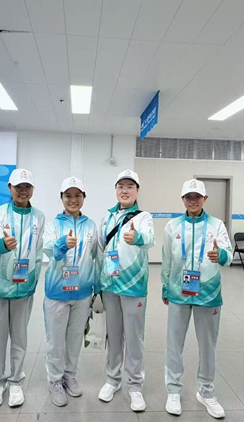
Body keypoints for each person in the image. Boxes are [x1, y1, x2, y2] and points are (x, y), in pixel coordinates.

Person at [161, 179, 233, 419]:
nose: (192, 201)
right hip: (178, 292)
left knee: (208, 345)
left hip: (209, 294)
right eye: (188, 197)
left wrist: (220, 255)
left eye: (197, 197)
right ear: (183, 199)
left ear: (205, 199)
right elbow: (167, 259)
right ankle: (173, 390)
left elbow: (229, 256)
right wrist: (165, 287)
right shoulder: (172, 226)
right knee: (174, 344)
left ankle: (206, 391)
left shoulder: (217, 225)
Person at [0, 168, 45, 409]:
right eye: (18, 186)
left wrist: (33, 280)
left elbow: (38, 252)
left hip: (23, 286)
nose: (23, 191)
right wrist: (3, 244)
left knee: (19, 336)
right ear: (10, 188)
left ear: (32, 190)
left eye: (27, 186)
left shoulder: (39, 217)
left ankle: (16, 381)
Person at [97, 169, 155, 412]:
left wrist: (137, 238)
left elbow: (149, 239)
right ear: (115, 190)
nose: (125, 190)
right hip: (110, 285)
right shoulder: (107, 218)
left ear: (137, 191)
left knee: (133, 337)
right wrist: (98, 284)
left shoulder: (144, 217)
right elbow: (100, 250)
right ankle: (112, 379)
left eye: (130, 186)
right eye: (121, 186)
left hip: (133, 286)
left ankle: (134, 385)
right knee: (113, 335)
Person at [42, 176, 99, 407]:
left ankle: (69, 376)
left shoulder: (91, 225)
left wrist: (97, 289)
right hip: (57, 292)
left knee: (75, 339)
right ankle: (55, 381)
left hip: (82, 293)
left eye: (77, 195)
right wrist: (63, 244)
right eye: (68, 195)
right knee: (55, 341)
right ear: (61, 198)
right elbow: (49, 251)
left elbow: (96, 257)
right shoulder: (53, 225)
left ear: (84, 197)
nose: (73, 200)